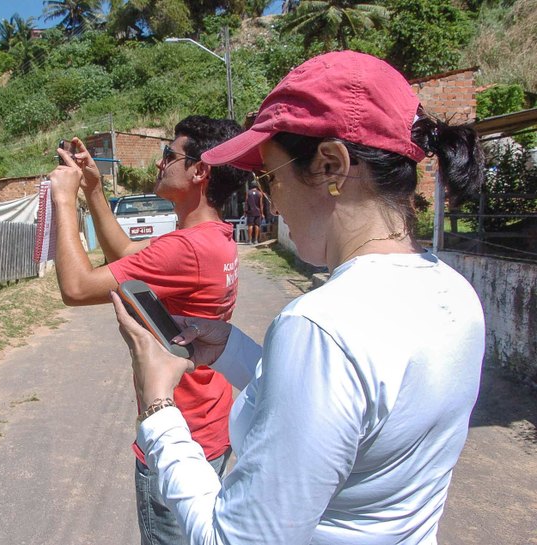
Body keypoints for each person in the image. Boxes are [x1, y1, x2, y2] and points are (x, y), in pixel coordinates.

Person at [111, 50, 486, 544]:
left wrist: (159, 409)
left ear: (331, 165)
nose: (269, 201)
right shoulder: (453, 291)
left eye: (270, 177)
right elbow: (345, 410)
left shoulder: (323, 326)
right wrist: (228, 348)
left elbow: (233, 540)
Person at [47, 116, 253, 545]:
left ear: (200, 170)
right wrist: (94, 190)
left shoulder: (186, 248)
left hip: (178, 430)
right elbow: (125, 254)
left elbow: (76, 288)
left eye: (168, 155)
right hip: (210, 422)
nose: (160, 163)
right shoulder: (210, 237)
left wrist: (64, 199)